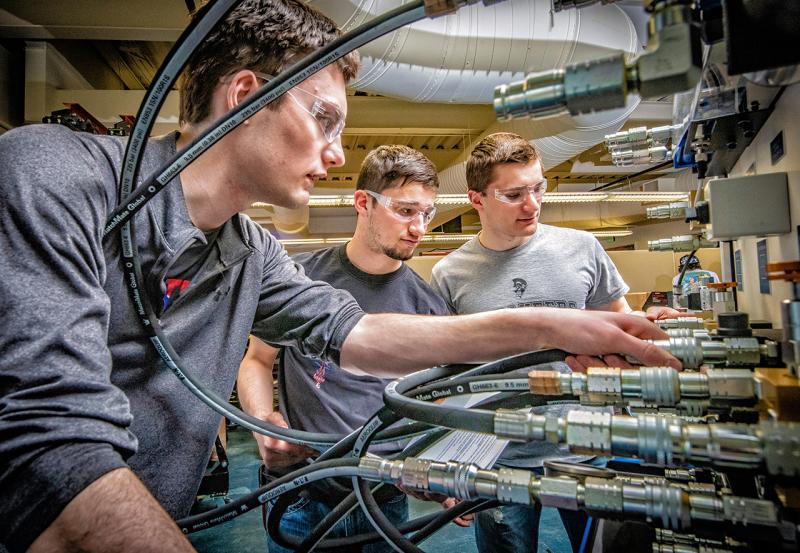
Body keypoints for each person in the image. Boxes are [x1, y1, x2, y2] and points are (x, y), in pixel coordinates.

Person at [0, 3, 680, 551]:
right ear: (245, 95)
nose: (335, 152)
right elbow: (54, 447)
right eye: (324, 118)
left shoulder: (251, 250)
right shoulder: (54, 174)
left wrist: (552, 326)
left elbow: (355, 330)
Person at [430, 132, 679, 553]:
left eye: (538, 187)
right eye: (513, 194)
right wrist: (447, 463)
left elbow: (619, 324)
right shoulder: (451, 274)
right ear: (477, 200)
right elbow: (445, 376)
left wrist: (647, 323)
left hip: (588, 447)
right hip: (497, 458)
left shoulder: (582, 248)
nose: (532, 204)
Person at [238, 145, 474, 552]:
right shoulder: (302, 280)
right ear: (363, 202)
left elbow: (433, 401)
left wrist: (436, 467)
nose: (419, 227)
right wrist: (263, 421)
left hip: (385, 498)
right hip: (303, 492)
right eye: (405, 211)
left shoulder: (429, 306)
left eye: (427, 214)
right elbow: (257, 360)